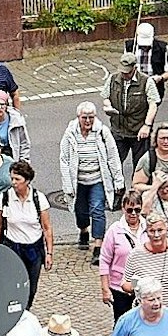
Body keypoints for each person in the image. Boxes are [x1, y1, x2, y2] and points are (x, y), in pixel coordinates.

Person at [59, 102, 124, 261]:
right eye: (84, 117)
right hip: (78, 181)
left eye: (91, 117)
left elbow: (112, 156)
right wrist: (67, 184)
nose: (88, 121)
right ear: (78, 117)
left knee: (97, 209)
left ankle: (98, 246)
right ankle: (83, 230)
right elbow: (65, 160)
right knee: (80, 212)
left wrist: (118, 181)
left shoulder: (102, 132)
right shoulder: (70, 134)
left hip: (97, 180)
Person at [0, 160, 55, 307]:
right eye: (12, 178)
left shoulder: (38, 198)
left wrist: (49, 253)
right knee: (11, 284)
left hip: (33, 248)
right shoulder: (5, 198)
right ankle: (12, 311)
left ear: (27, 180)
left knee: (31, 286)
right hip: (12, 247)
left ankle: (26, 310)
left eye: (17, 179)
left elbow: (47, 228)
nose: (14, 182)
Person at [104, 53, 162, 178]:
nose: (124, 75)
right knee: (113, 165)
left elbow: (153, 104)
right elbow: (106, 97)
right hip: (118, 130)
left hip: (139, 131)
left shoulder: (146, 81)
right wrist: (108, 106)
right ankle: (115, 194)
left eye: (127, 72)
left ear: (134, 68)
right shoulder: (113, 79)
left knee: (141, 168)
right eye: (122, 72)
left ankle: (139, 194)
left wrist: (147, 125)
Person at [99, 189, 150, 328]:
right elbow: (104, 260)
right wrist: (105, 289)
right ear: (123, 209)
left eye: (137, 210)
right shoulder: (115, 230)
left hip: (144, 286)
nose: (133, 214)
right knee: (122, 324)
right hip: (119, 287)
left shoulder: (148, 228)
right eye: (130, 210)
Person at [128, 22, 168, 100]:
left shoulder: (162, 48)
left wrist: (160, 78)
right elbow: (124, 68)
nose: (145, 46)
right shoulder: (130, 47)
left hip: (154, 88)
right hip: (134, 88)